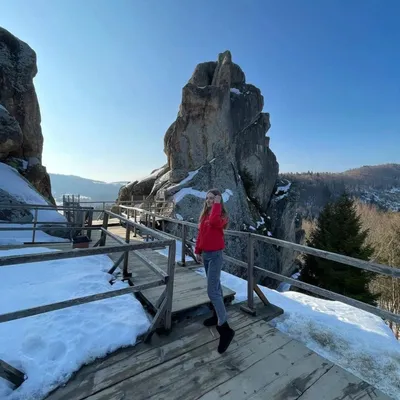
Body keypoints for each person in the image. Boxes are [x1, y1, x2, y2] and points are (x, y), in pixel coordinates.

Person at [195, 189, 235, 354]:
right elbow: (201, 234)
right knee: (215, 287)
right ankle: (215, 315)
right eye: (207, 198)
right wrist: (198, 250)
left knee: (212, 291)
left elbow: (213, 223)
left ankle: (225, 329)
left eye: (212, 198)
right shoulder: (204, 214)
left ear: (218, 199)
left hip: (216, 255)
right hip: (206, 254)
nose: (209, 201)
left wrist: (217, 205)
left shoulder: (221, 215)